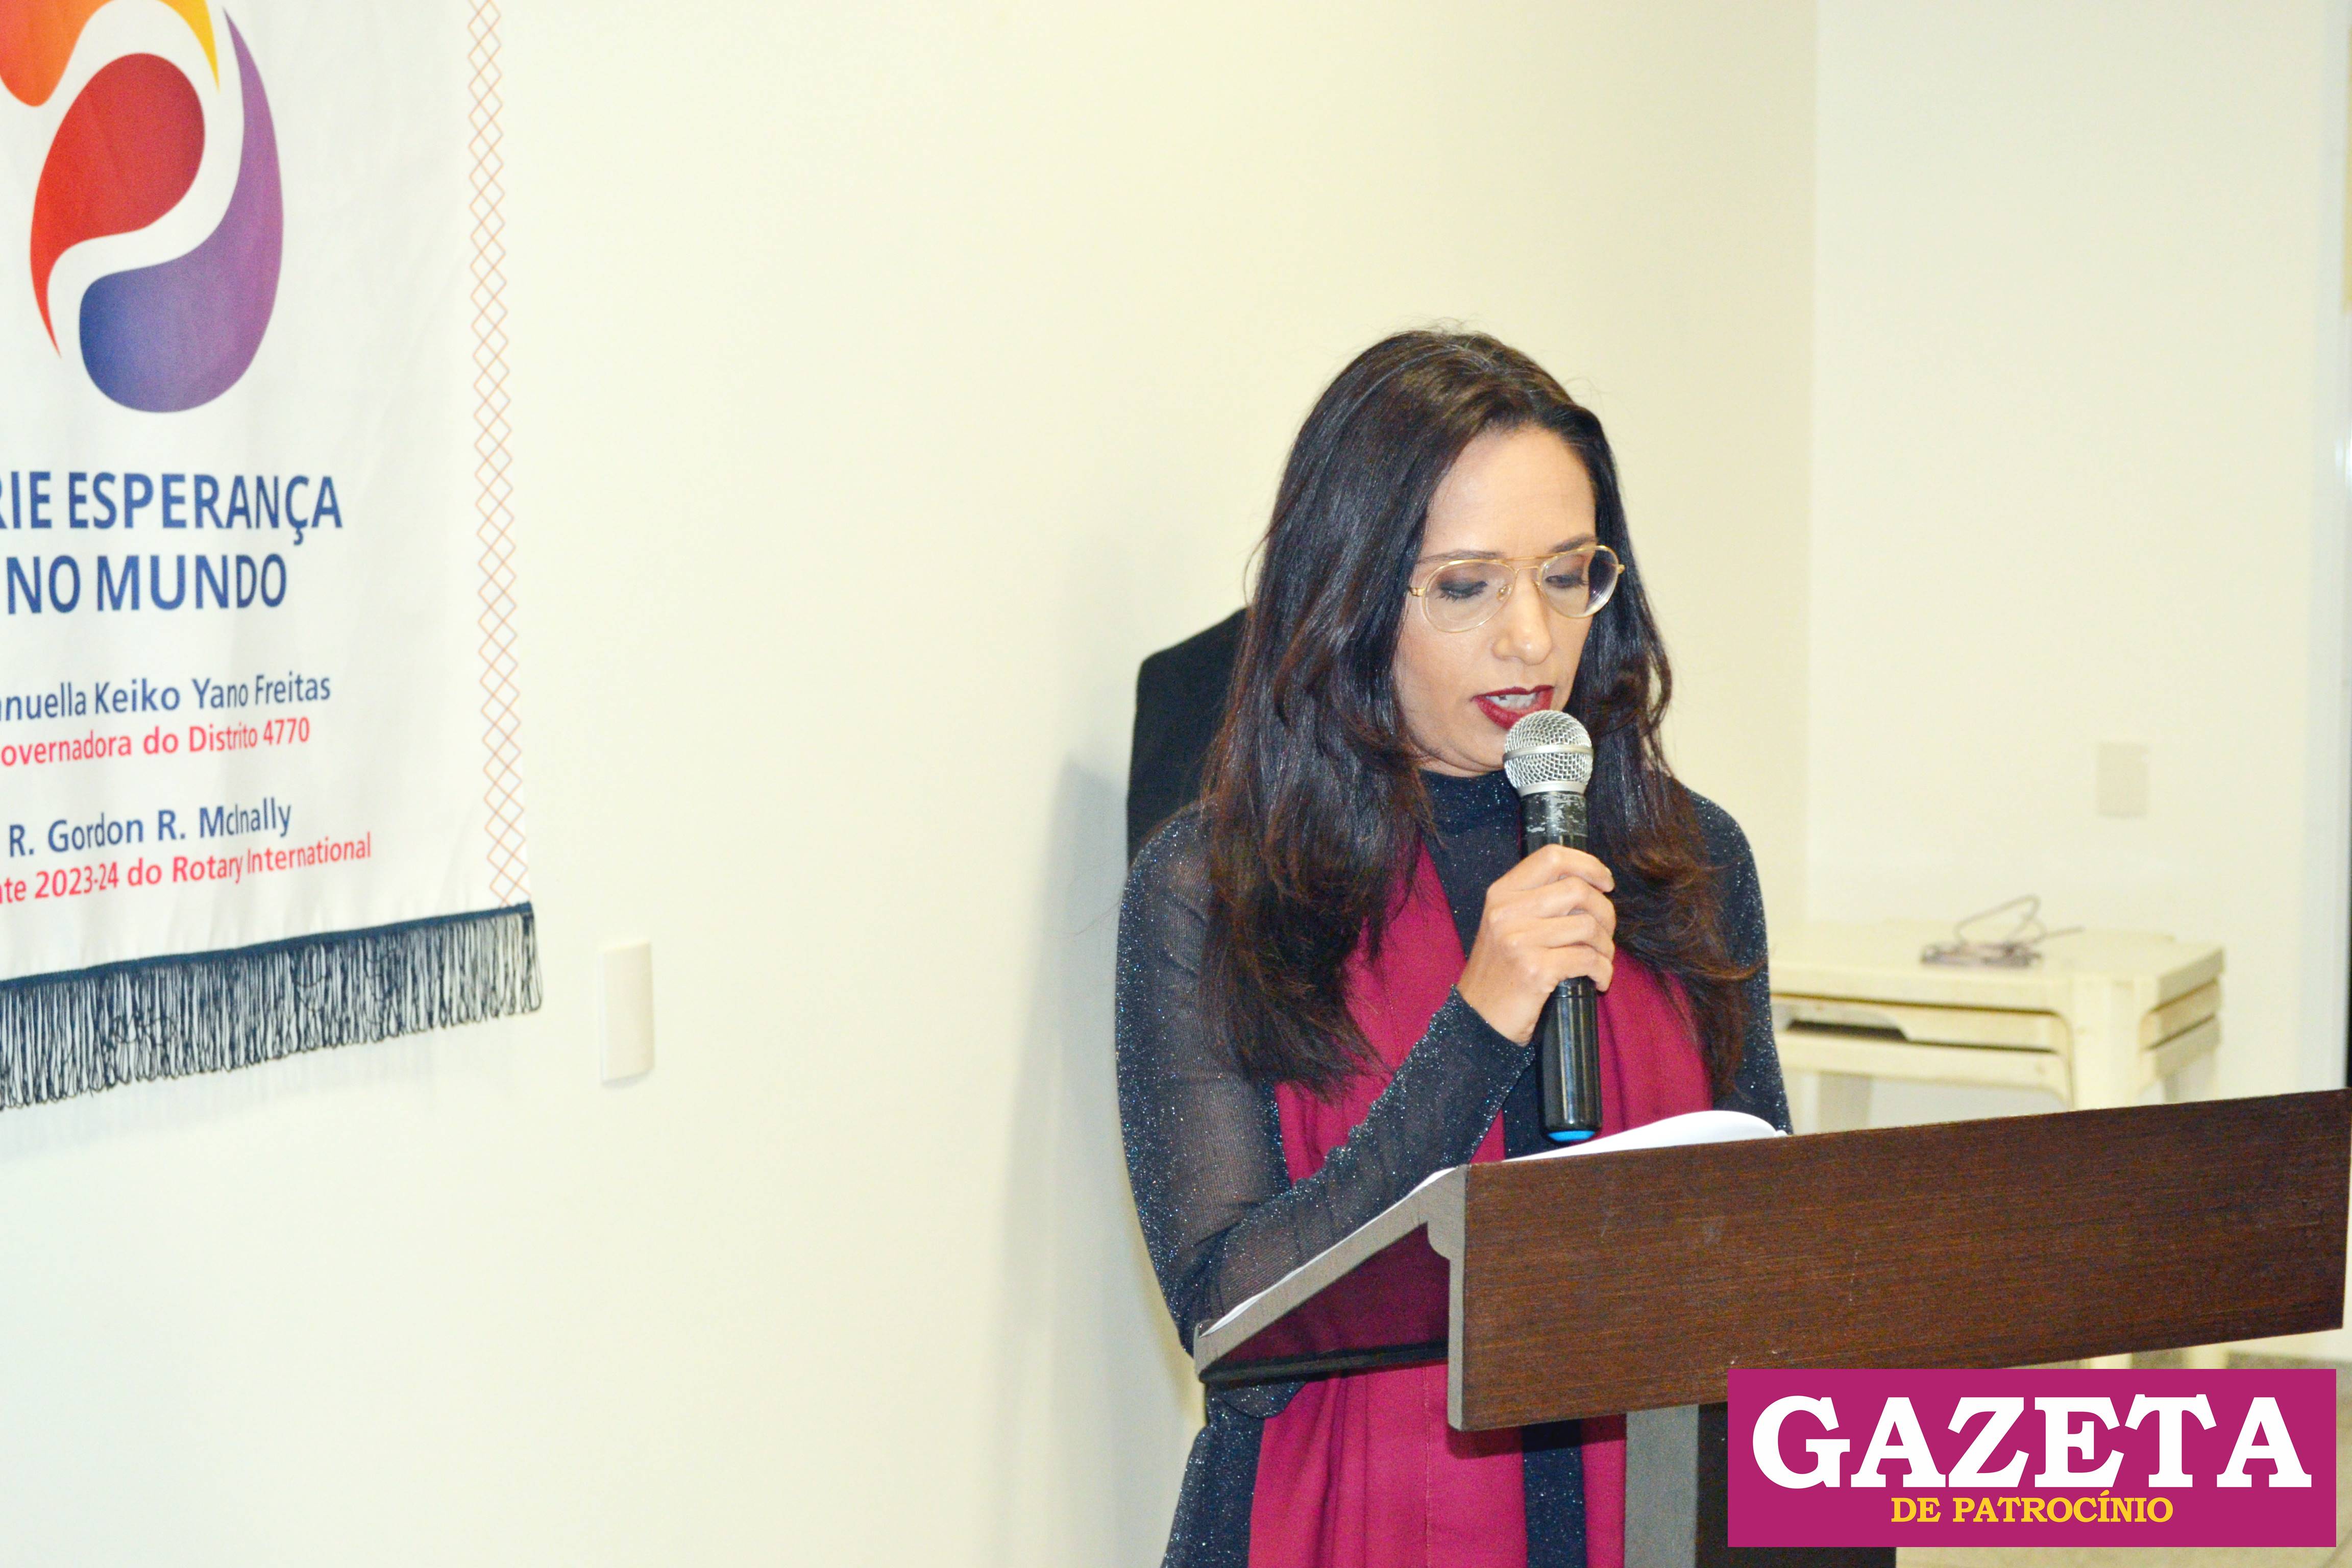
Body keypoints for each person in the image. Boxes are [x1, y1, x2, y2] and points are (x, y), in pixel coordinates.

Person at [1115, 330, 1790, 1568]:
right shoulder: (1212, 887)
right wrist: (1479, 1026)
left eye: (1567, 575)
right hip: (1343, 1517)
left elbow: (1763, 1250)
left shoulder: (1688, 858)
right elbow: (1233, 1322)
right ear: (1352, 596)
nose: (1531, 639)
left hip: (1650, 1511)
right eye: (1466, 587)